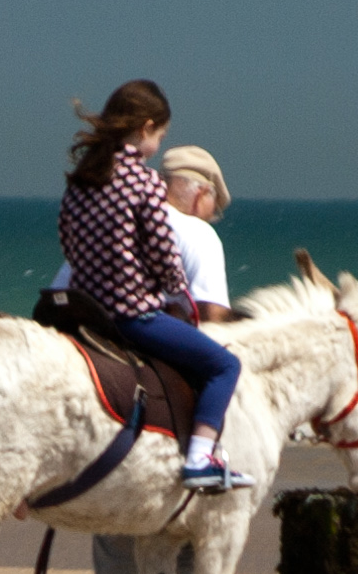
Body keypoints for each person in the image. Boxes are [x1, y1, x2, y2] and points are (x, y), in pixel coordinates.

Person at [92, 145, 239, 574]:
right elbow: (214, 329)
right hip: (162, 419)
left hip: (103, 417)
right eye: (212, 206)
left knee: (114, 547)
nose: (210, 215)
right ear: (200, 194)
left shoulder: (110, 228)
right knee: (195, 540)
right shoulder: (198, 235)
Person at [53, 80, 248, 491]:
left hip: (85, 310)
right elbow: (161, 249)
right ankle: (200, 458)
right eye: (160, 136)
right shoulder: (143, 183)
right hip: (130, 315)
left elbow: (67, 239)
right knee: (224, 366)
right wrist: (175, 287)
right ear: (145, 128)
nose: (158, 146)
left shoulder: (83, 178)